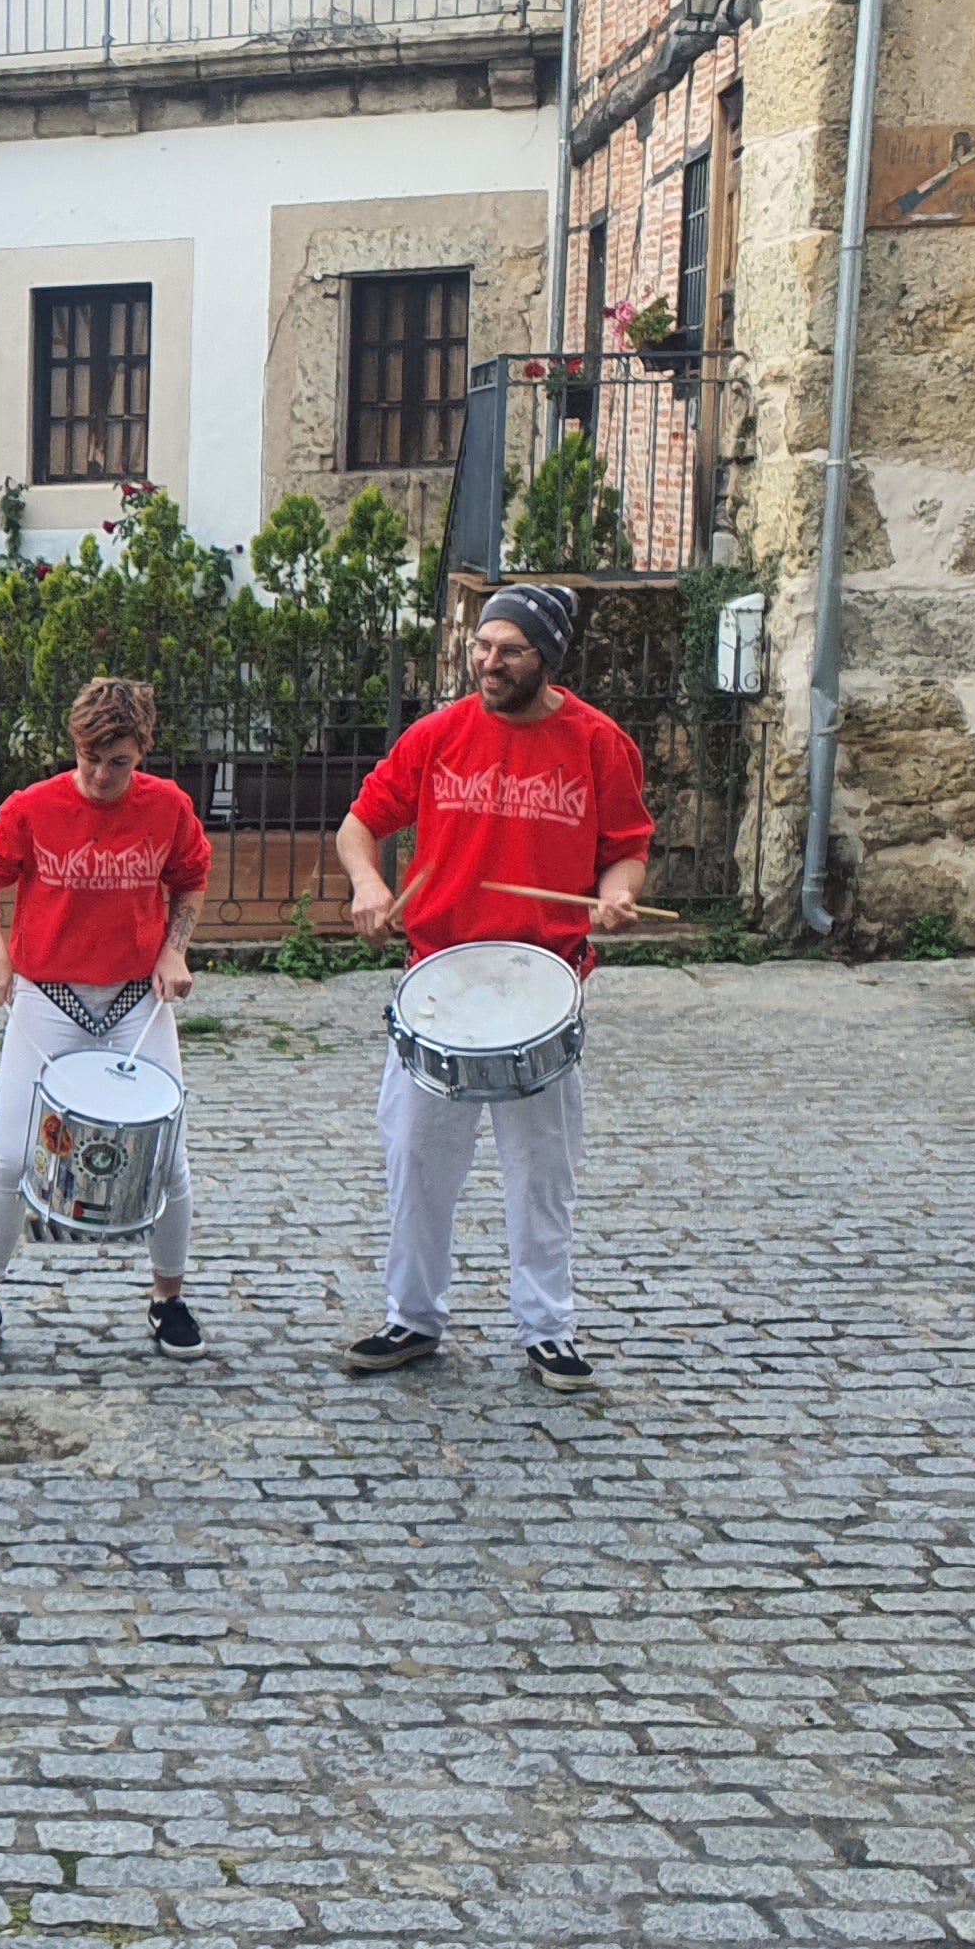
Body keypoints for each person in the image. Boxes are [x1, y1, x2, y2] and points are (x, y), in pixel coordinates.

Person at [332, 583, 653, 1391]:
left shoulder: (597, 742)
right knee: (415, 1158)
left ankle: (549, 1328)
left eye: (509, 649)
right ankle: (412, 1316)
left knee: (543, 1168)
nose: (489, 662)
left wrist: (615, 892)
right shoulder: (438, 735)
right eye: (482, 647)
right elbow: (359, 826)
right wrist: (369, 886)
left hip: (542, 986)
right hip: (439, 978)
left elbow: (626, 845)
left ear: (546, 655)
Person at [0, 675, 214, 1367]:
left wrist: (174, 949)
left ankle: (168, 1298)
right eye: (90, 758)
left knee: (170, 1163)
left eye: (119, 761)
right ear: (74, 746)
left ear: (143, 750)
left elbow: (189, 878)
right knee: (11, 1155)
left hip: (137, 999)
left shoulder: (169, 808)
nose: (101, 774)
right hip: (48, 998)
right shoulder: (34, 807)